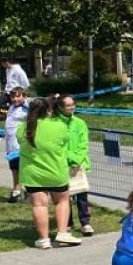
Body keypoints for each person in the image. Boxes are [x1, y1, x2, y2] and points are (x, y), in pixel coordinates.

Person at [19, 96, 81, 248]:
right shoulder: (59, 126)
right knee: (62, 201)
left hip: (32, 173)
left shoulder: (23, 127)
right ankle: (62, 232)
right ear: (49, 110)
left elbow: (18, 140)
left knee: (39, 205)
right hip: (56, 171)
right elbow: (65, 141)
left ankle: (44, 239)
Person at [58, 95, 94, 236]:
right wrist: (70, 158)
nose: (72, 107)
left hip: (79, 164)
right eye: (68, 105)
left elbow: (83, 143)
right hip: (63, 164)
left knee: (82, 195)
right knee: (64, 195)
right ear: (60, 107)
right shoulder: (56, 124)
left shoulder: (79, 123)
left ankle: (85, 223)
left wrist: (77, 159)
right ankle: (67, 222)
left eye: (73, 104)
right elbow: (58, 145)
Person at [4, 87, 29, 202]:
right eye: (13, 96)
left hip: (20, 144)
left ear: (24, 96)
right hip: (10, 144)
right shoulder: (12, 107)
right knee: (14, 168)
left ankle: (25, 190)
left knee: (23, 168)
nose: (15, 99)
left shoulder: (26, 108)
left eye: (18, 96)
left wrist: (25, 102)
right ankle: (16, 189)